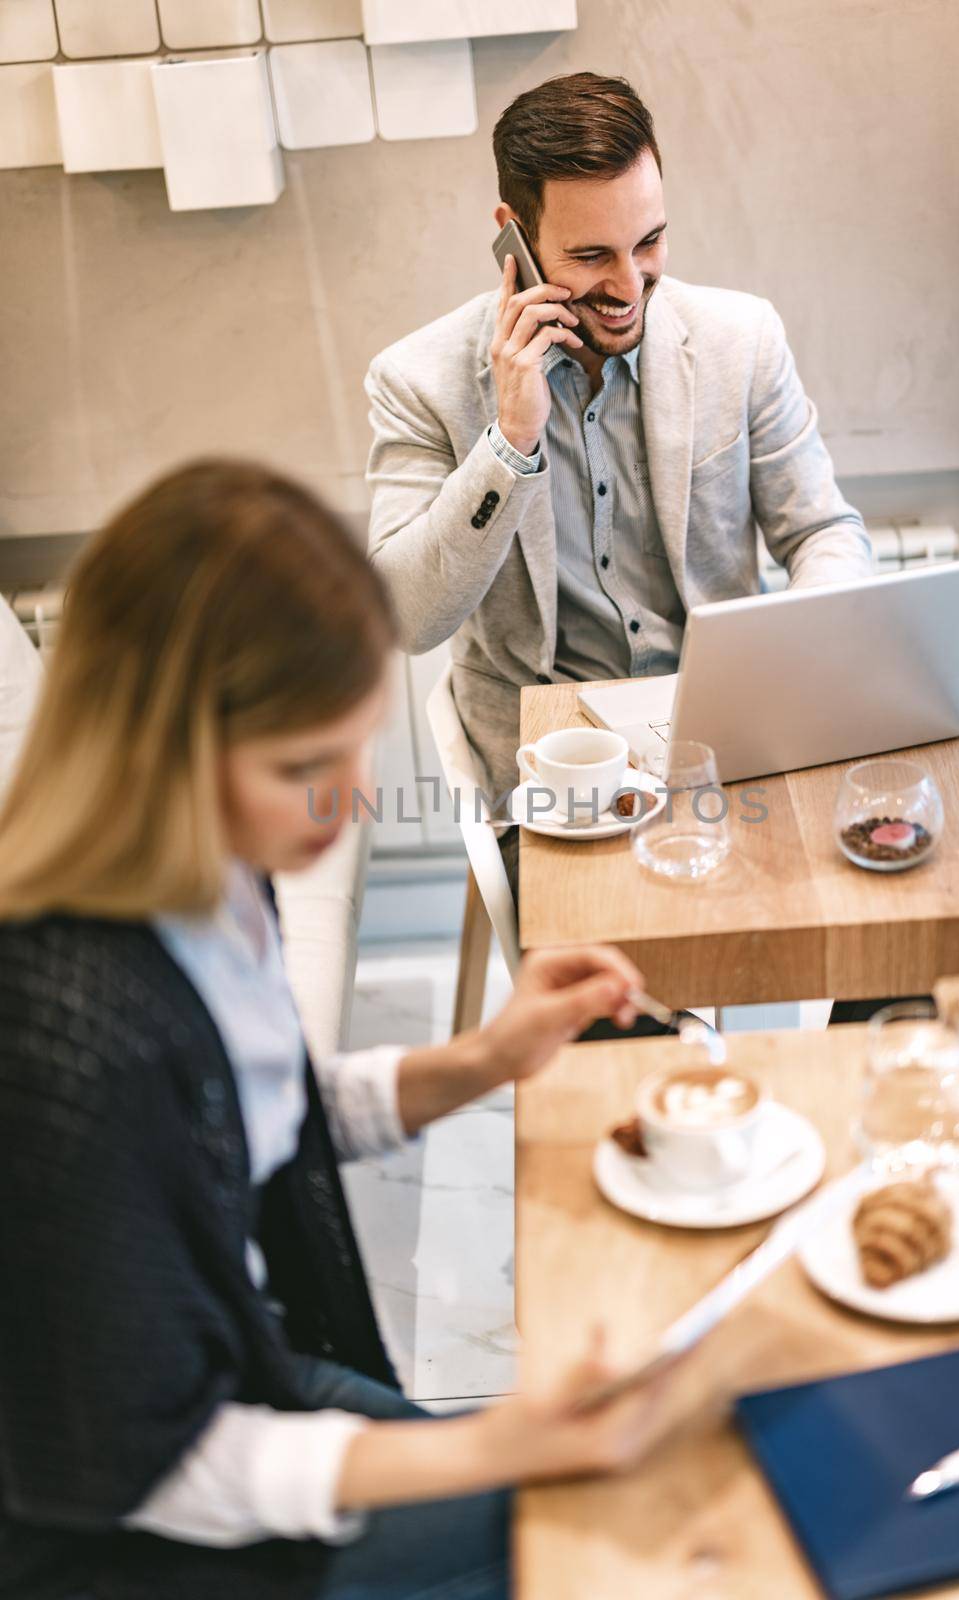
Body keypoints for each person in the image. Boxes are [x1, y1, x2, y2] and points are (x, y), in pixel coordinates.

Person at [0, 460, 700, 1600]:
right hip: (142, 1531)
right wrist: (491, 1442)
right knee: (579, 1540)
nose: (346, 800)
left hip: (252, 1372)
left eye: (355, 747)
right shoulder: (64, 1038)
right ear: (151, 746)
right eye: (301, 768)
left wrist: (486, 1056)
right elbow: (145, 1463)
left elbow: (256, 1115)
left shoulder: (217, 884)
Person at [365, 70, 873, 829]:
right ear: (514, 234)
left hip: (726, 740)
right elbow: (402, 620)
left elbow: (824, 532)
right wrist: (510, 440)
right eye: (591, 255)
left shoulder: (742, 339)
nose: (629, 284)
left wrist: (795, 656)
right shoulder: (416, 380)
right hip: (550, 772)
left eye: (649, 241)